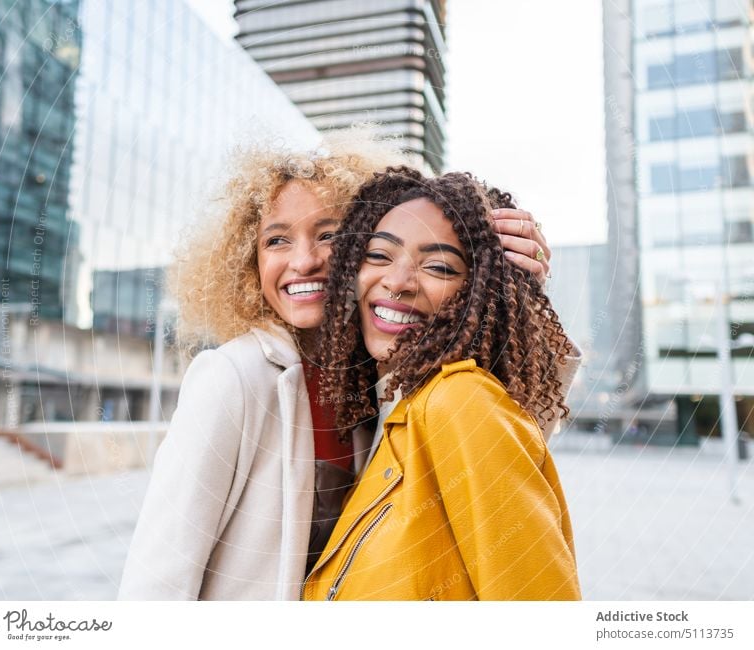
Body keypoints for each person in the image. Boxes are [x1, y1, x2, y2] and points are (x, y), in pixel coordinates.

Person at [117, 133, 573, 600]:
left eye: (328, 235)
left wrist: (507, 282)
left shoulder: (377, 379)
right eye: (277, 240)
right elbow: (156, 583)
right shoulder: (233, 378)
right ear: (248, 262)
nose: (303, 261)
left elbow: (499, 452)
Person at [302, 166, 581, 600]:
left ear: (480, 293)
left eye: (438, 266)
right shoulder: (383, 411)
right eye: (378, 255)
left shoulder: (460, 400)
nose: (396, 283)